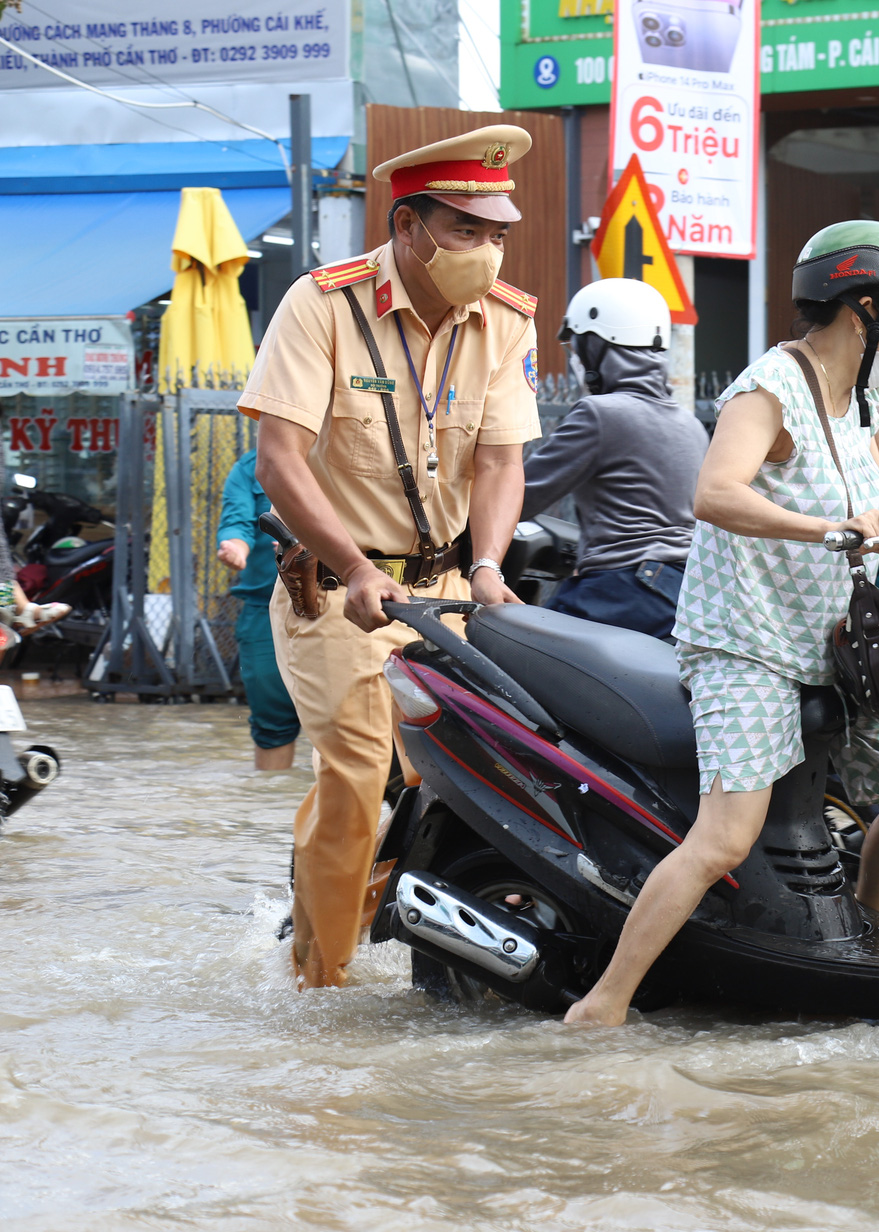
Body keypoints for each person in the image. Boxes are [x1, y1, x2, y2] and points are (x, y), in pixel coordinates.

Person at [564, 220, 879, 1027]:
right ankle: (602, 1006)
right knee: (724, 841)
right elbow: (715, 492)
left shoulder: (856, 399)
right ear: (864, 311)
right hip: (746, 646)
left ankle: (862, 951)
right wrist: (832, 530)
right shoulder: (771, 385)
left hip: (835, 647)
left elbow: (864, 480)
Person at [238, 124, 539, 989]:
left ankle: (346, 915)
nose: (485, 253)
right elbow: (281, 460)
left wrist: (487, 564)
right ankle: (319, 985)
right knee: (363, 770)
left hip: (446, 590)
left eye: (495, 235)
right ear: (407, 226)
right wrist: (358, 567)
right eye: (464, 231)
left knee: (458, 777)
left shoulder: (505, 322)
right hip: (339, 590)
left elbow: (500, 459)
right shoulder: (322, 305)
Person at [521, 278, 706, 639]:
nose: (574, 358)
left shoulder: (600, 414)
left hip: (623, 588)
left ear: (597, 348)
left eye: (577, 347)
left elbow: (520, 496)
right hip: (682, 593)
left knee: (515, 651)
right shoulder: (690, 424)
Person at [216, 445, 301, 769]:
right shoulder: (249, 467)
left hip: (338, 603)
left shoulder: (346, 453)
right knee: (271, 719)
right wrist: (235, 546)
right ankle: (269, 802)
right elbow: (235, 522)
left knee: (350, 721)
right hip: (264, 607)